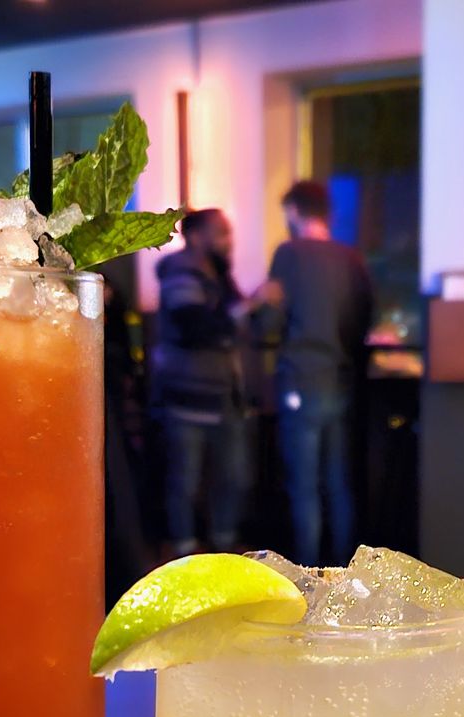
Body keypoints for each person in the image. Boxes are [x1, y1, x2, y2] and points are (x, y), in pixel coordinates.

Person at [258, 180, 373, 565]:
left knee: (304, 486)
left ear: (294, 211)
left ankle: (309, 575)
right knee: (340, 484)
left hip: (301, 380)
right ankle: (344, 572)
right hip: (341, 380)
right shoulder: (351, 258)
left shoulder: (288, 254)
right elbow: (363, 319)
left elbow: (271, 318)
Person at [153, 209, 254, 555]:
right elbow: (193, 326)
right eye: (221, 234)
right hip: (188, 398)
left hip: (225, 397)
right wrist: (247, 308)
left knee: (233, 478)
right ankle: (183, 554)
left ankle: (226, 549)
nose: (229, 242)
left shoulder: (220, 273)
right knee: (185, 480)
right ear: (196, 237)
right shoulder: (181, 272)